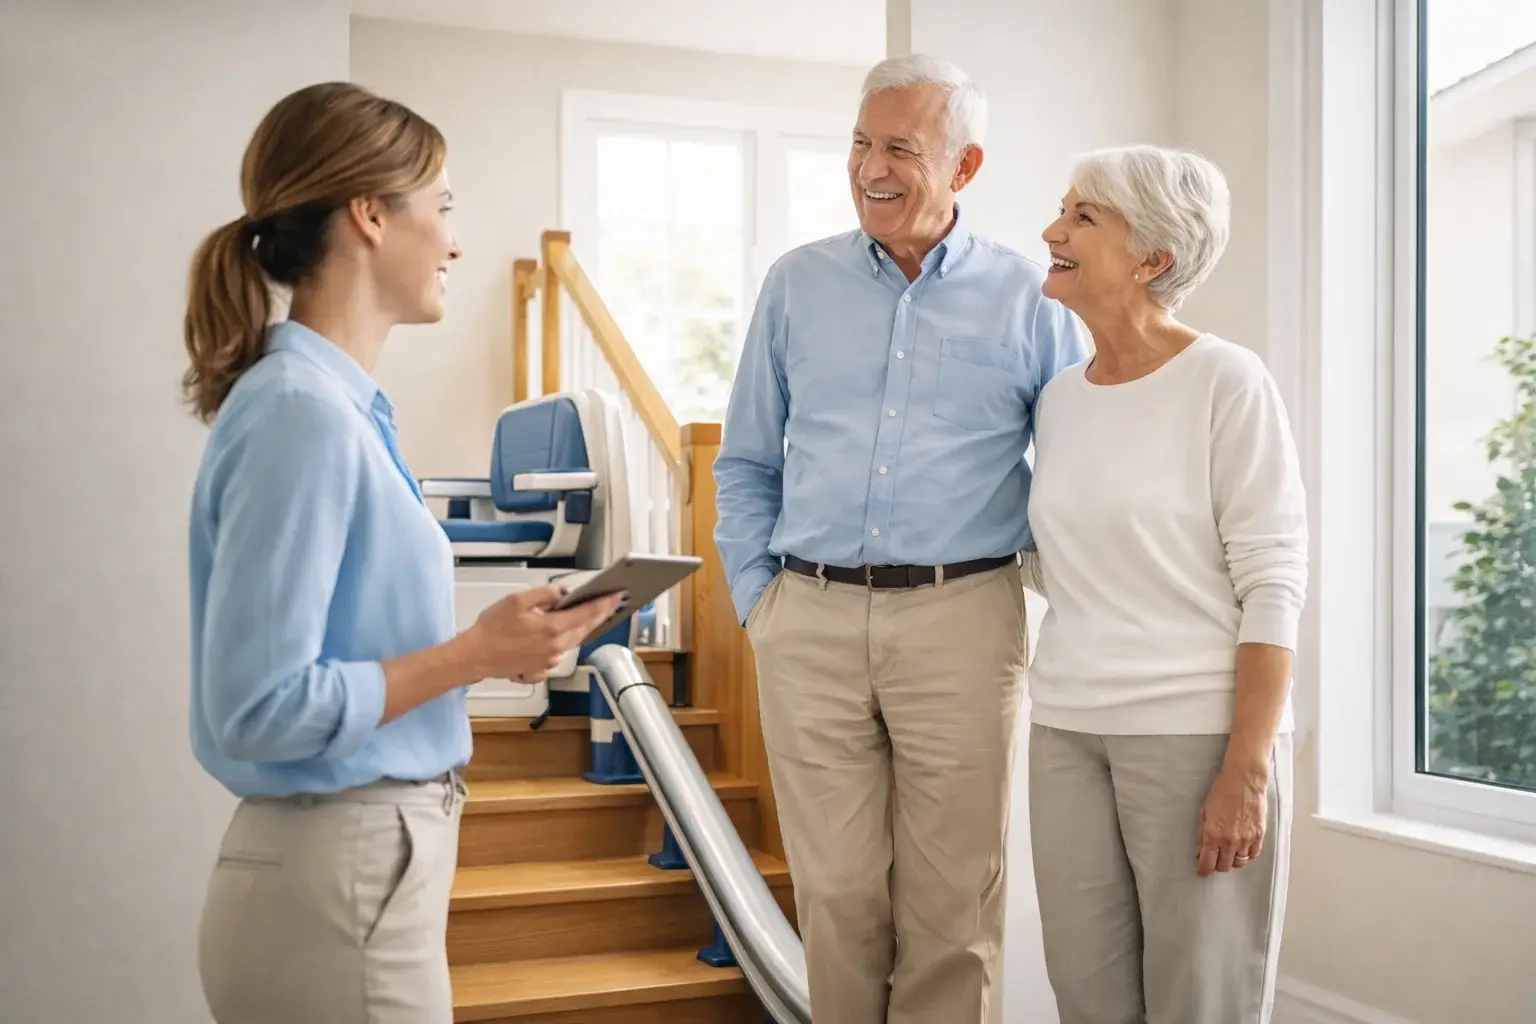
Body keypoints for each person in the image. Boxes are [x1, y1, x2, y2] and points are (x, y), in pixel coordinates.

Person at [182, 82, 622, 1024]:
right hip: (338, 879)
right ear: (370, 214)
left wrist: (493, 651)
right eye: (444, 207)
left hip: (359, 872)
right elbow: (259, 708)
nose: (456, 242)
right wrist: (475, 656)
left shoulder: (340, 411)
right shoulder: (301, 414)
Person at [714, 53, 1089, 1023]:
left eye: (900, 150)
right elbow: (746, 457)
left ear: (963, 168)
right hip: (810, 617)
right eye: (859, 144)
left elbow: (1081, 463)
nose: (870, 168)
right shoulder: (796, 285)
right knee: (837, 896)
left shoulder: (1030, 296)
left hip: (966, 618)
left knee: (955, 904)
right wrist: (762, 597)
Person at [1025, 144, 1307, 1024]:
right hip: (1067, 728)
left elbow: (1273, 580)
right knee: (1088, 997)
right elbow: (1067, 559)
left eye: (1082, 218)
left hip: (1196, 735)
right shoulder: (1059, 398)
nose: (1051, 231)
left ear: (1153, 257)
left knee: (1201, 1001)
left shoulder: (1227, 381)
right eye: (1062, 211)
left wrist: (1247, 770)